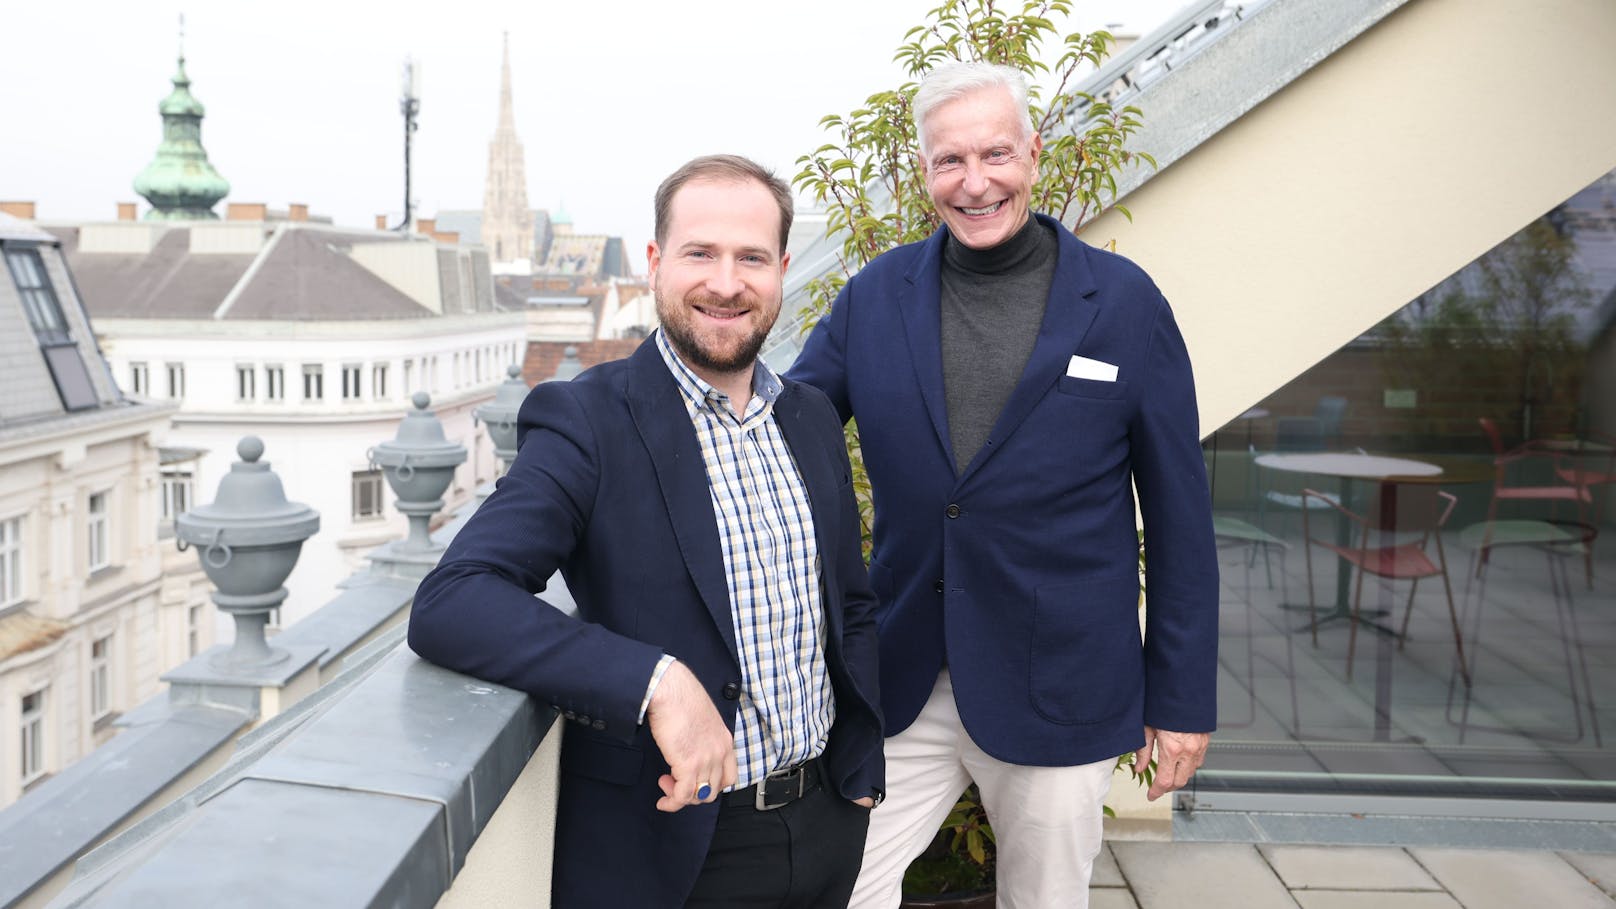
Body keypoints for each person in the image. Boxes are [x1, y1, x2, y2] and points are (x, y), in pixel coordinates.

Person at [789, 61, 1219, 908]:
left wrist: (1181, 699)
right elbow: (783, 429)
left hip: (1061, 682)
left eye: (995, 154)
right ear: (923, 173)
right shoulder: (875, 297)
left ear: (1034, 152)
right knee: (834, 886)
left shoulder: (1123, 303)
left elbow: (1180, 516)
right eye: (950, 160)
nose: (974, 182)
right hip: (906, 677)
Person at [409, 154, 884, 909]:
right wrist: (655, 681)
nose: (726, 283)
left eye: (751, 258)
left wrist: (859, 769)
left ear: (782, 270)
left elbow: (848, 605)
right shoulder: (588, 420)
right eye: (701, 253)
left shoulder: (811, 417)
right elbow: (454, 599)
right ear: (657, 262)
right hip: (680, 849)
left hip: (826, 824)